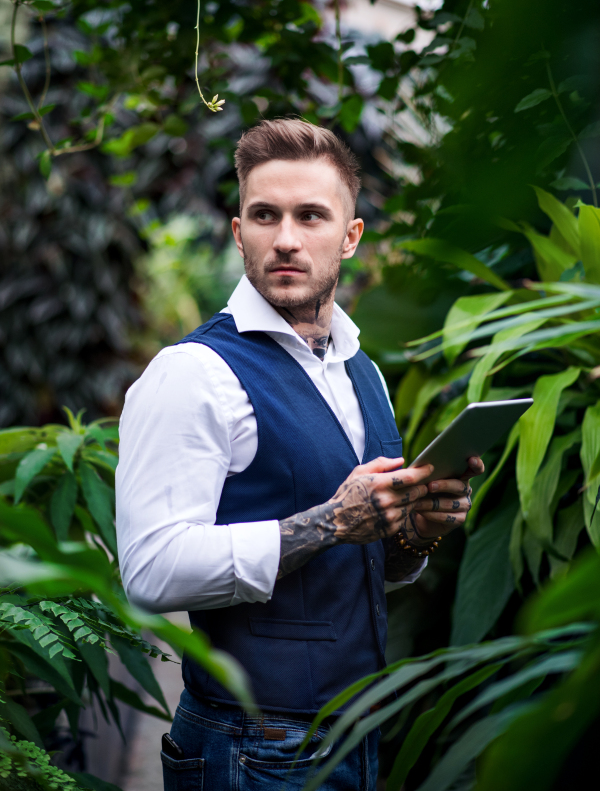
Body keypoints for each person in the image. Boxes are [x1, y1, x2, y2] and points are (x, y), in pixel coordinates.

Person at [116, 118, 483, 791]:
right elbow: (150, 571)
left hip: (360, 732)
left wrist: (414, 538)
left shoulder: (362, 371)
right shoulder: (192, 373)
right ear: (238, 232)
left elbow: (368, 566)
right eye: (265, 215)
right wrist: (329, 522)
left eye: (311, 216)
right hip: (254, 750)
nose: (285, 239)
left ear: (350, 237)